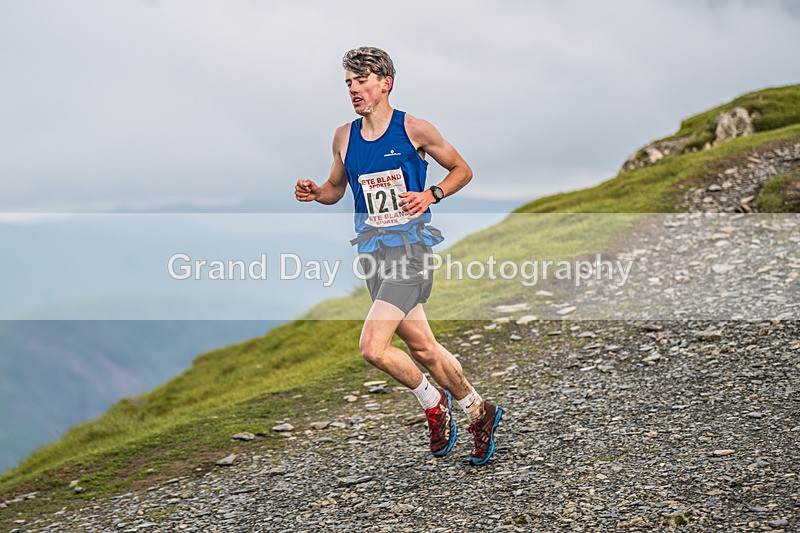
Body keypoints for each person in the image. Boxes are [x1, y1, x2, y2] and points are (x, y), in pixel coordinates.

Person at [294, 46, 502, 466]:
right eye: (349, 83)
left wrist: (431, 194)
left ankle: (433, 403)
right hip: (373, 255)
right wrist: (319, 193)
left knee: (372, 348)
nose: (354, 89)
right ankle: (480, 412)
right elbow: (337, 189)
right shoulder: (343, 136)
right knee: (424, 350)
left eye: (362, 80)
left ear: (385, 83)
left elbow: (462, 169)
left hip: (410, 253)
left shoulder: (415, 129)